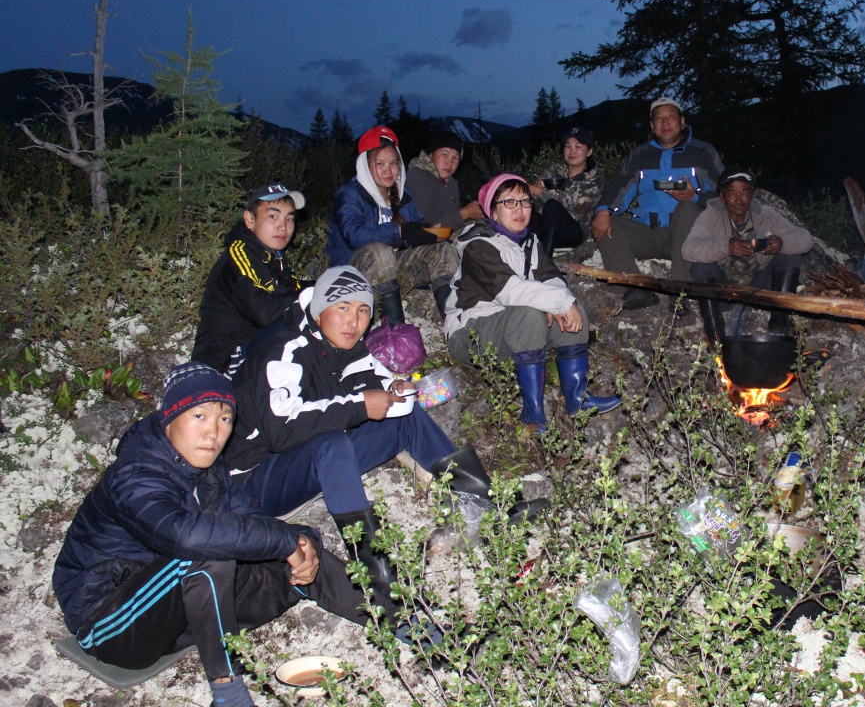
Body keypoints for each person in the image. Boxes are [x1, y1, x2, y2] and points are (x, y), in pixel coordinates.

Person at [225, 265, 537, 616]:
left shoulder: (347, 346)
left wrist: (395, 389)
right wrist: (360, 405)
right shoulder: (282, 349)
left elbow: (377, 380)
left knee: (404, 415)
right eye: (342, 307)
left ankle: (485, 507)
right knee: (333, 444)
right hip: (255, 484)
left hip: (314, 463)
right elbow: (280, 430)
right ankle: (377, 575)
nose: (353, 321)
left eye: (363, 310)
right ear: (319, 309)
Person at [53, 363, 367, 707]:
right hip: (110, 623)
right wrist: (283, 540)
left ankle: (394, 618)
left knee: (287, 554)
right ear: (169, 419)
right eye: (199, 416)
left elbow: (250, 519)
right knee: (208, 552)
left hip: (179, 614)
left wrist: (302, 539)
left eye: (224, 418)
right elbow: (185, 537)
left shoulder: (208, 469)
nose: (213, 433)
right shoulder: (134, 474)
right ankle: (229, 697)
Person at [444, 174, 621, 430]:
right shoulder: (478, 245)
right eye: (509, 202)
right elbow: (510, 291)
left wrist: (563, 304)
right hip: (470, 335)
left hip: (514, 330)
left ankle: (578, 398)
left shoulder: (531, 242)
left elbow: (552, 279)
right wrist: (557, 303)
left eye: (525, 201)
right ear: (493, 213)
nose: (519, 209)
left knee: (574, 308)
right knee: (533, 311)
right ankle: (533, 413)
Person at [592, 97, 724, 310]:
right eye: (659, 118)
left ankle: (679, 289)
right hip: (649, 233)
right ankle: (633, 287)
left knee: (687, 208)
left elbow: (724, 196)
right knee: (609, 223)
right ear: (652, 126)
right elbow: (620, 187)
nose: (665, 122)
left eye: (671, 117)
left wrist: (695, 197)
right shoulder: (641, 155)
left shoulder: (703, 152)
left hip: (687, 236)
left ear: (682, 122)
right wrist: (604, 211)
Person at [326, 126, 459, 320]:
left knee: (443, 250)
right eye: (380, 163)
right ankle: (394, 328)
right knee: (380, 251)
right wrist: (400, 231)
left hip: (393, 274)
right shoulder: (350, 194)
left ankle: (451, 321)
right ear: (365, 165)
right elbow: (354, 235)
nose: (388, 170)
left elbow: (413, 229)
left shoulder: (404, 195)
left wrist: (428, 232)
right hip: (353, 273)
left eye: (393, 163)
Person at [192, 182, 306, 375]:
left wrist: (325, 285)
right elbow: (263, 312)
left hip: (255, 351)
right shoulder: (239, 255)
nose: (283, 226)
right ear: (249, 219)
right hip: (224, 363)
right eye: (273, 216)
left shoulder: (273, 257)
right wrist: (314, 292)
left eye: (289, 218)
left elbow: (294, 290)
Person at [682, 168, 813, 335]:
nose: (738, 199)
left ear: (752, 195)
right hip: (723, 290)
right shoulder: (711, 215)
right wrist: (726, 247)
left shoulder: (766, 214)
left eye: (744, 192)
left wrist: (782, 243)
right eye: (732, 193)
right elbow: (688, 249)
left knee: (790, 255)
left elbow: (806, 239)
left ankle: (780, 320)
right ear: (722, 197)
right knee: (700, 266)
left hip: (760, 288)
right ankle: (714, 328)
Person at [527, 126, 604, 251]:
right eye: (568, 146)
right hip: (546, 226)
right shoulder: (553, 169)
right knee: (528, 214)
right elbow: (534, 197)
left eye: (578, 147)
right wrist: (533, 190)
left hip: (576, 232)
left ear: (589, 151)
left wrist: (540, 192)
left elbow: (575, 204)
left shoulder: (595, 178)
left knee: (552, 206)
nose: (572, 151)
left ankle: (546, 259)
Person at [404, 129, 485, 231]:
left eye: (455, 158)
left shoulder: (451, 182)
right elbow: (423, 230)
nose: (450, 162)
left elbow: (454, 224)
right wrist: (466, 213)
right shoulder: (417, 179)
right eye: (445, 154)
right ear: (430, 155)